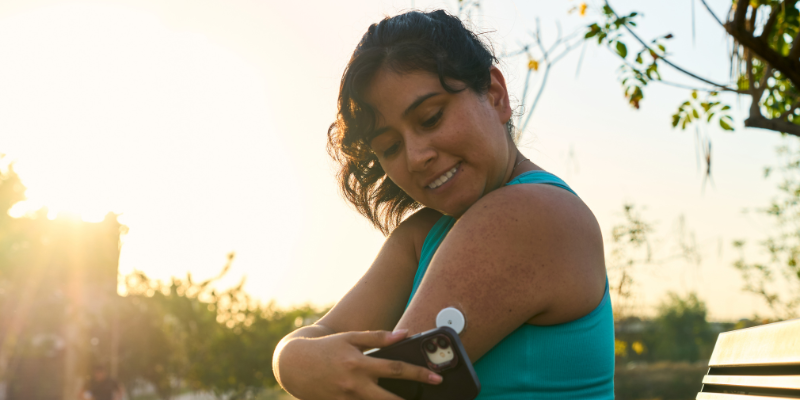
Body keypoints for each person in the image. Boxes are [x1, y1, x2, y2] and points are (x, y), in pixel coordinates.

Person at [272, 9, 614, 400]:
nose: (416, 156)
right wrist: (291, 358)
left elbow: (387, 389)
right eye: (390, 146)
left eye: (430, 118)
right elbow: (321, 337)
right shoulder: (423, 234)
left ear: (495, 94)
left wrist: (302, 363)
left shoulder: (530, 214)